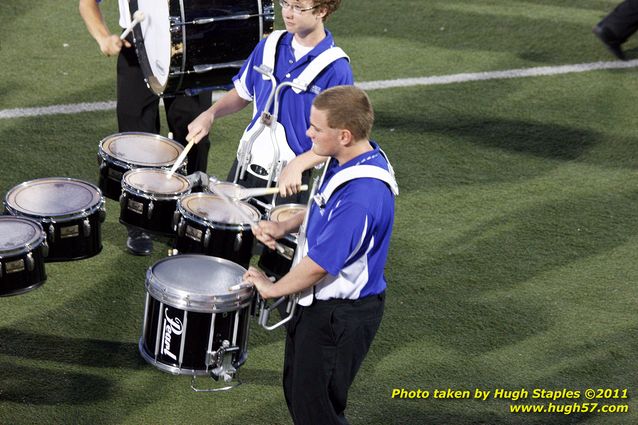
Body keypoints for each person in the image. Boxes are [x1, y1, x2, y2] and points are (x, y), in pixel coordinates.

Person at [243, 86, 398, 425]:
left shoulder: (362, 196)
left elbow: (320, 266)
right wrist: (286, 227)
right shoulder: (351, 156)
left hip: (337, 316)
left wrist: (272, 288)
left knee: (318, 413)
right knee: (300, 396)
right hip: (323, 308)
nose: (307, 132)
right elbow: (322, 206)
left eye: (315, 127)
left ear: (344, 135)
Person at [186, 0, 353, 208]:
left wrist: (299, 164)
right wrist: (210, 114)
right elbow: (243, 93)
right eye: (285, 3)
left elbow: (337, 140)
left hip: (289, 180)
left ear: (322, 11)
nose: (288, 14)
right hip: (243, 167)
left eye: (298, 7)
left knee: (271, 241)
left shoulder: (336, 69)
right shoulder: (269, 45)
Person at [79, 0, 213, 255]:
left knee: (193, 134)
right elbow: (87, 3)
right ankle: (139, 222)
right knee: (135, 140)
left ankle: (191, 217)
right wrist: (103, 38)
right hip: (136, 49)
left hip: (189, 41)